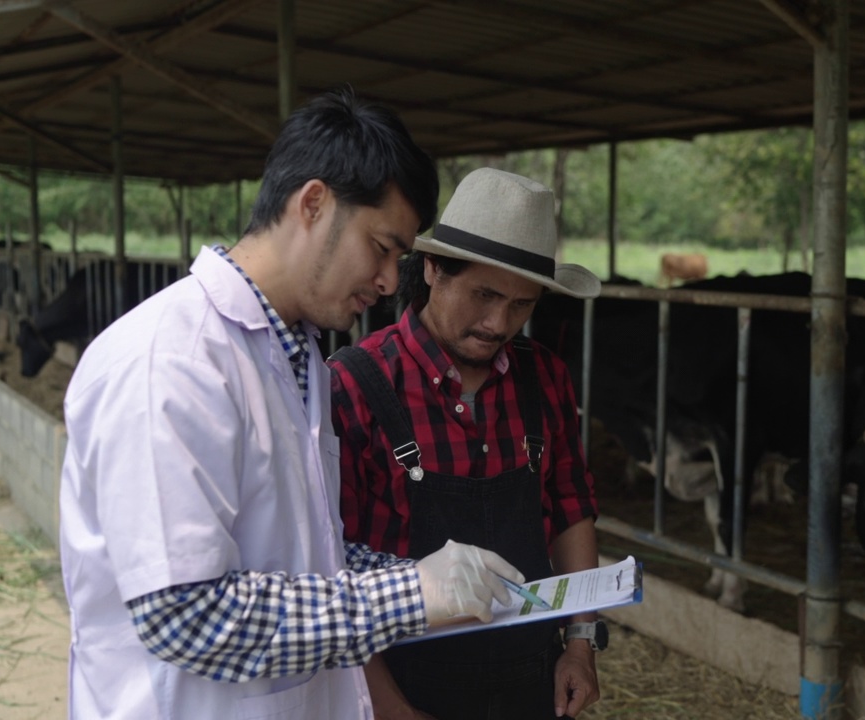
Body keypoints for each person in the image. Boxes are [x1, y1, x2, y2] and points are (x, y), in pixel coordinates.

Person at [58, 89, 528, 720]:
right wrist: (409, 595)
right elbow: (185, 616)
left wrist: (423, 572)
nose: (392, 281)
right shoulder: (169, 362)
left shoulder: (299, 358)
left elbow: (304, 547)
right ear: (313, 204)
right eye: (383, 248)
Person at [330, 167, 605, 720]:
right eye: (484, 294)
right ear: (432, 268)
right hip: (407, 680)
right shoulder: (356, 385)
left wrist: (579, 644)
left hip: (532, 675)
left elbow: (571, 510)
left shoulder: (544, 376)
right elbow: (332, 568)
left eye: (522, 305)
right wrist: (388, 708)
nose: (499, 322)